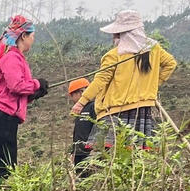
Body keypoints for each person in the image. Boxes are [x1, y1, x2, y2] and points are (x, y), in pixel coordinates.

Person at [70, 10, 176, 150]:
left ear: (121, 34)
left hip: (116, 111)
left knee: (109, 155)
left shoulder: (114, 55)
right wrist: (152, 86)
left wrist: (81, 102)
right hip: (143, 109)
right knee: (135, 154)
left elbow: (100, 80)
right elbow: (170, 64)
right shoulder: (153, 49)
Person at [0, 14, 49, 191]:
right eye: (32, 36)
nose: (33, 40)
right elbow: (16, 85)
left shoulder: (12, 57)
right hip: (2, 118)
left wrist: (34, 93)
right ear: (24, 36)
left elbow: (13, 93)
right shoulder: (12, 57)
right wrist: (37, 84)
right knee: (5, 166)